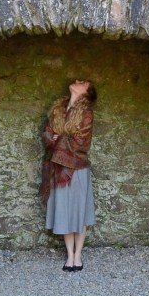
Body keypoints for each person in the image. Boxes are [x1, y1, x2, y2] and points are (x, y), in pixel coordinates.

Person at [41, 80, 97, 272]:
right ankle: (69, 255)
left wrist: (59, 138)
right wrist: (52, 137)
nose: (77, 81)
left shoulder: (86, 114)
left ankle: (78, 255)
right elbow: (47, 134)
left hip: (78, 169)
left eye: (83, 83)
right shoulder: (58, 110)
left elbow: (81, 143)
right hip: (59, 170)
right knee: (64, 210)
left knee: (79, 212)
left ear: (86, 93)